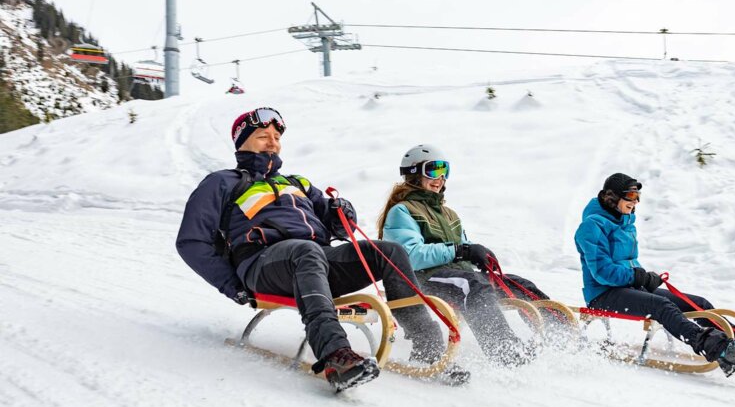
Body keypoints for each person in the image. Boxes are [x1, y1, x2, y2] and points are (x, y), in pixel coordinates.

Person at [176, 108, 458, 391]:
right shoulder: (222, 183)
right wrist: (232, 285)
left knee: (389, 251)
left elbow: (340, 227)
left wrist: (341, 212)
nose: (272, 142)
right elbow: (191, 241)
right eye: (263, 136)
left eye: (276, 137)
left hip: (313, 262)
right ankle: (335, 354)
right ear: (242, 143)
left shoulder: (297, 183)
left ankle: (429, 351)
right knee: (305, 251)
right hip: (262, 264)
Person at [574, 173, 735, 377]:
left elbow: (628, 264)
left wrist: (641, 278)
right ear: (611, 198)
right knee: (661, 306)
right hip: (603, 294)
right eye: (630, 197)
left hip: (630, 287)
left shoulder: (625, 223)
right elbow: (602, 271)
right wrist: (638, 277)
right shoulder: (591, 227)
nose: (635, 203)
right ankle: (720, 350)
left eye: (637, 198)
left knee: (697, 303)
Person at [378, 144, 548, 366]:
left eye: (444, 171)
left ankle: (562, 336)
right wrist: (459, 251)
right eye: (433, 170)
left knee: (518, 284)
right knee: (472, 286)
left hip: (458, 276)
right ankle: (505, 351)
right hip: (424, 279)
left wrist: (476, 254)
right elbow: (410, 255)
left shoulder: (448, 213)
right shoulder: (402, 211)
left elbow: (462, 246)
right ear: (413, 173)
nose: (440, 177)